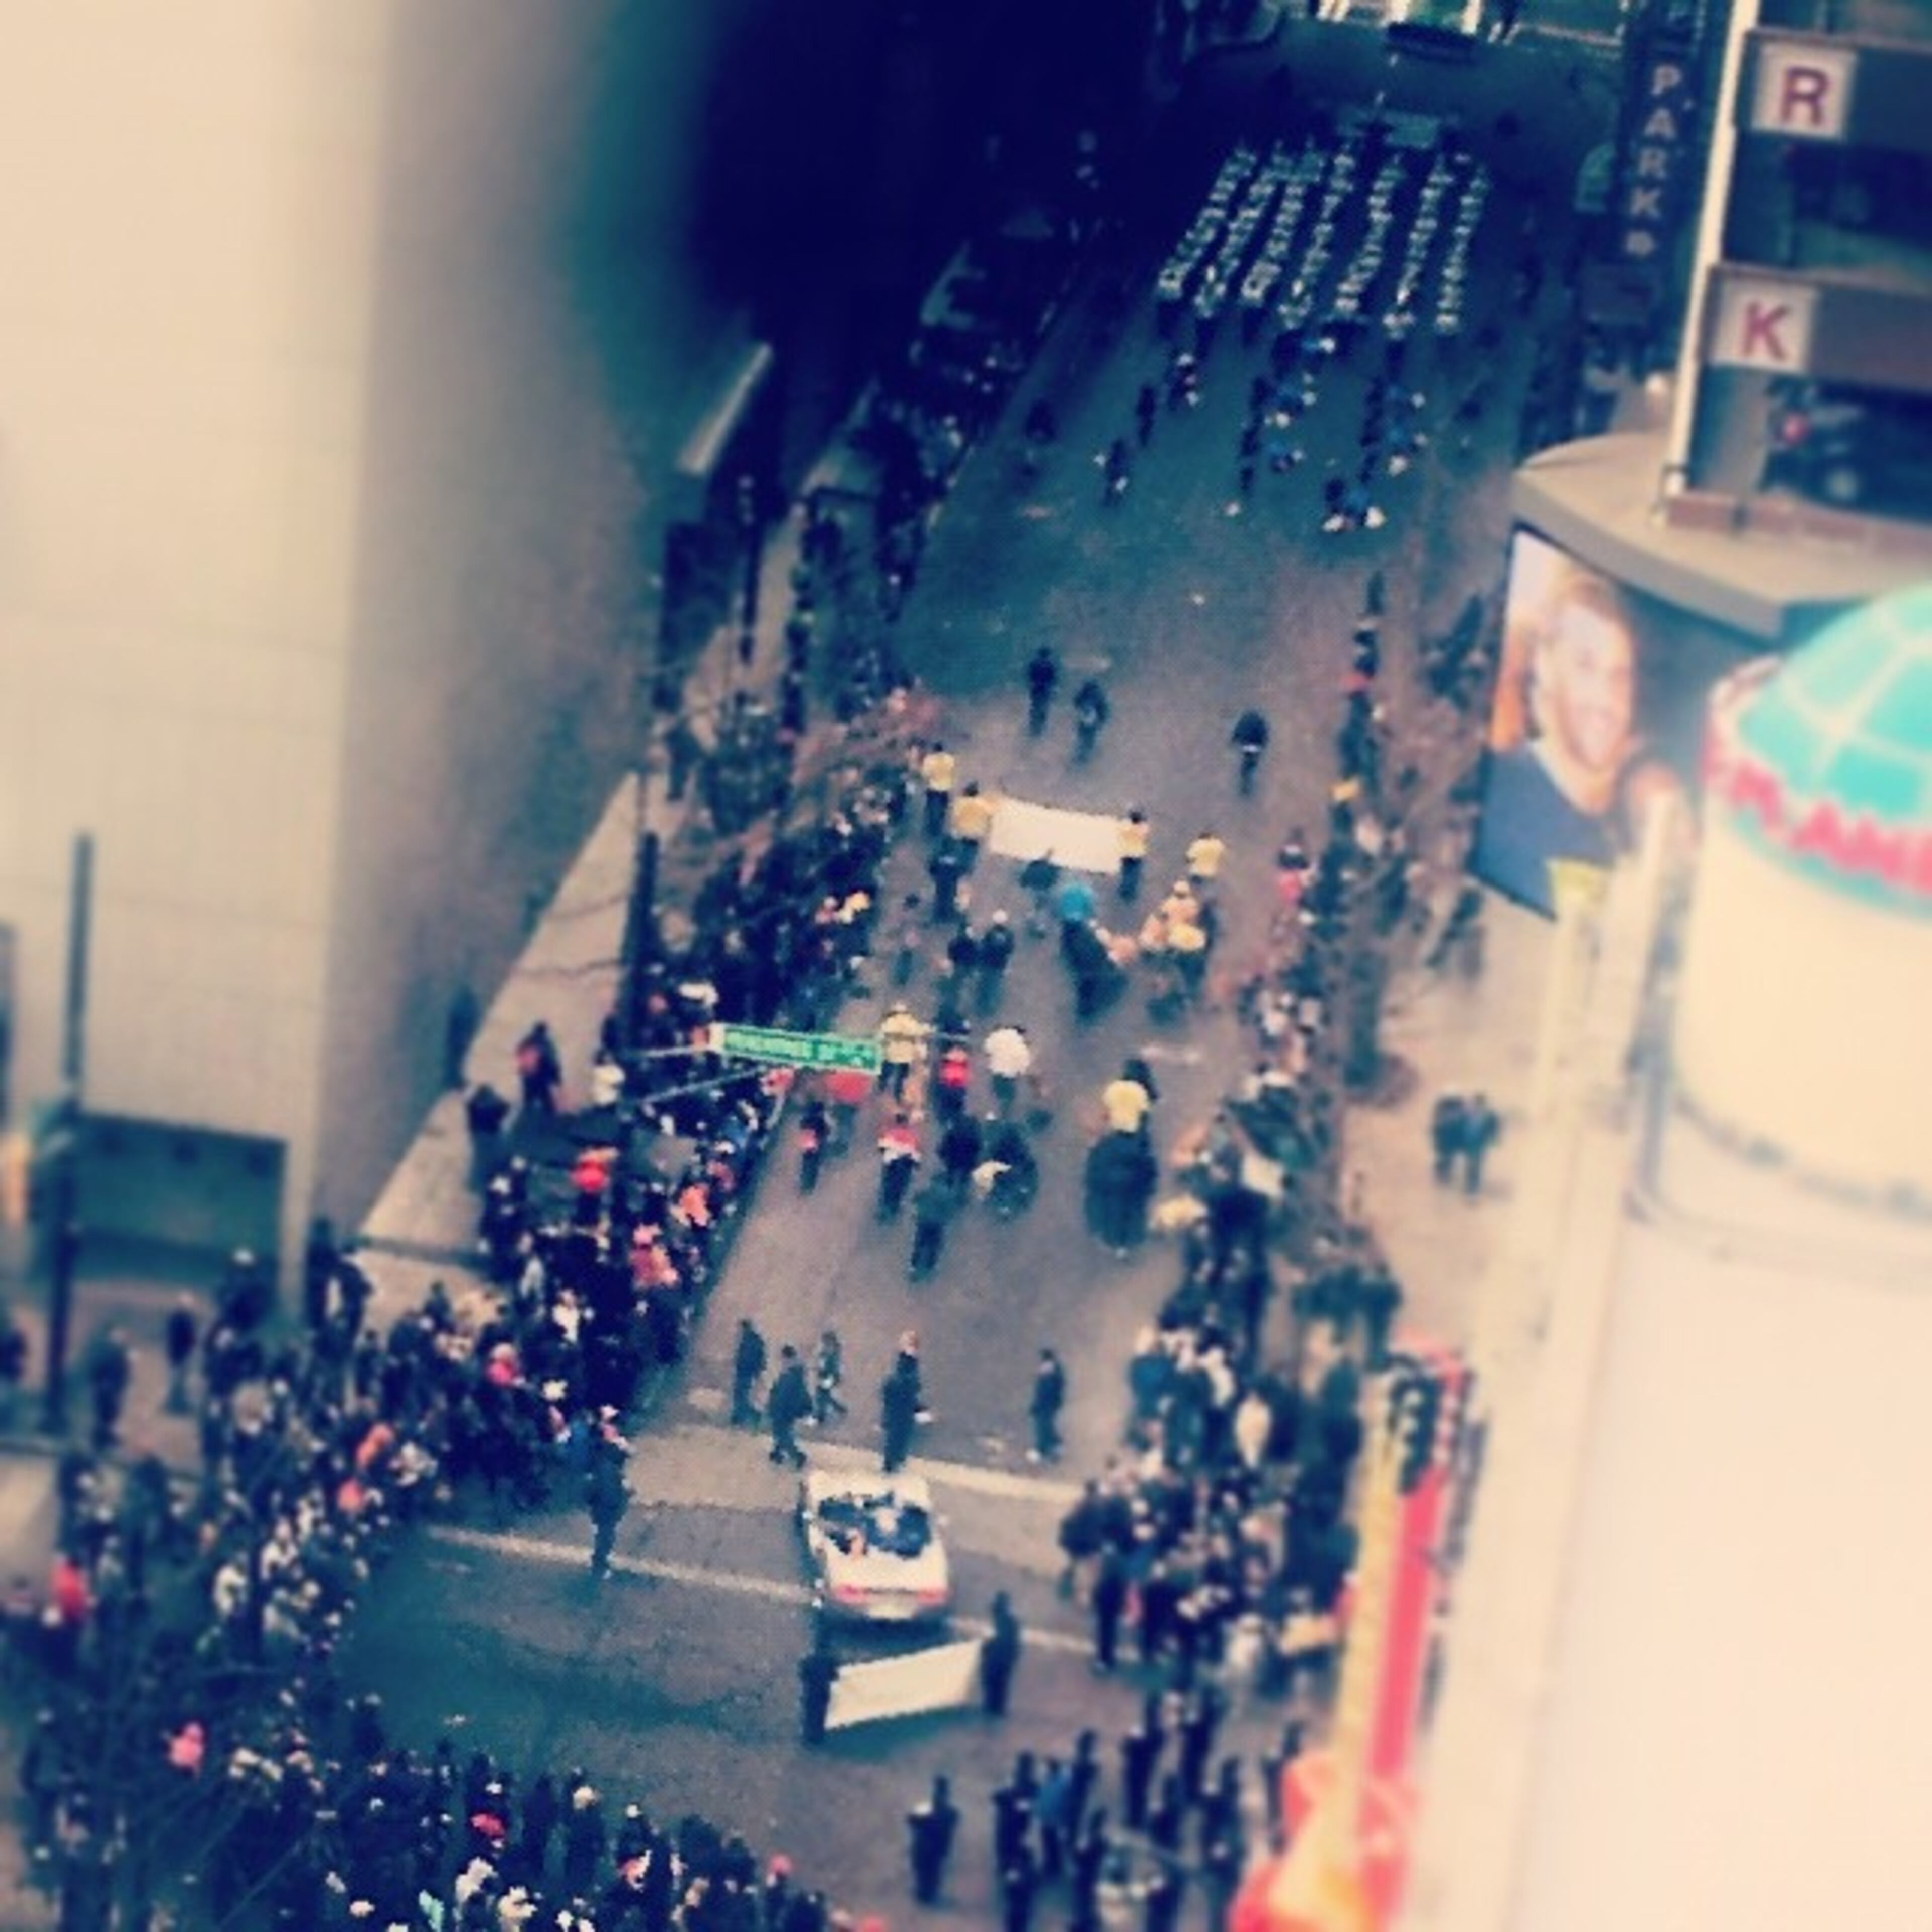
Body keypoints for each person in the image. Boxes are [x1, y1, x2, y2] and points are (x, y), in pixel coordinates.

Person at [1472, 557, 1664, 914]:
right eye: (1585, 667)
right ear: (1545, 665)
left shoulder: (1637, 817)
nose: (1606, 701)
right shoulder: (1498, 795)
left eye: (1619, 676)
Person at [907, 1774, 961, 1903]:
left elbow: (912, 1821)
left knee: (931, 1871)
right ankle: (926, 1891)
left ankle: (926, 1892)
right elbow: (912, 1821)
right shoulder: (945, 1812)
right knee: (928, 1871)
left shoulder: (948, 1812)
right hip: (928, 1848)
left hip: (933, 1848)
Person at [767, 1346, 812, 1468]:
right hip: (788, 1410)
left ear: (786, 1358)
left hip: (784, 1410)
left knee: (782, 1434)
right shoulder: (794, 1372)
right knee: (782, 1432)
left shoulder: (790, 1375)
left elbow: (783, 1395)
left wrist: (775, 1408)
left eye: (783, 1358)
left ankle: (797, 1455)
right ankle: (777, 1452)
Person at [980, 1592, 1022, 1716]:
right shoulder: (1011, 1621)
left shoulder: (1003, 1622)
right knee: (1000, 1683)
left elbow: (1000, 1640)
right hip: (1005, 1658)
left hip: (999, 1657)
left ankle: (993, 1706)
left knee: (993, 1681)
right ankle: (997, 1706)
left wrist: (987, 1647)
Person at [514, 1020, 562, 1116]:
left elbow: (519, 1054)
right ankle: (549, 1118)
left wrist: (523, 1069)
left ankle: (527, 1117)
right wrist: (557, 1078)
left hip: (528, 1075)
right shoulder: (546, 1044)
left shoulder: (527, 1042)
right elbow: (552, 1061)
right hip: (540, 1077)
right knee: (545, 1099)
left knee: (529, 1098)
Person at [798, 1636, 839, 1747]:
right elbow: (835, 1677)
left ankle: (807, 1736)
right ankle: (817, 1737)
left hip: (811, 1691)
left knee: (809, 1714)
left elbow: (803, 1675)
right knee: (820, 1715)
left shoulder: (808, 1660)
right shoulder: (830, 1661)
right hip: (823, 1692)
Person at [1028, 1349, 1066, 1464]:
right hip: (1047, 1404)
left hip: (1046, 1405)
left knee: (1044, 1426)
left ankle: (1045, 1449)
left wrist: (1038, 1404)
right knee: (1044, 1426)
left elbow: (1044, 1390)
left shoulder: (1050, 1371)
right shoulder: (1054, 1371)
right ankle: (1051, 1448)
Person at [1460, 1093, 1501, 1194]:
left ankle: (1472, 1187)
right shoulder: (1469, 1113)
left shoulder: (1487, 1115)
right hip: (1472, 1143)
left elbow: (1494, 1128)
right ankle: (1472, 1186)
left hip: (1477, 1143)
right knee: (1474, 1164)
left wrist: (1494, 1139)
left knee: (1475, 1164)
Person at [163, 1294, 197, 1415]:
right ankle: (173, 1405)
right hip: (178, 1354)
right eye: (188, 1304)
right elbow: (176, 1338)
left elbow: (191, 1337)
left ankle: (179, 1403)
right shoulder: (178, 1319)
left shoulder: (186, 1318)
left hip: (183, 1354)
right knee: (176, 1380)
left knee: (181, 1380)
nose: (191, 1306)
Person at [731, 1318, 768, 1427]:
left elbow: (751, 1357)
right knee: (741, 1394)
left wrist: (755, 1371)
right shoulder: (752, 1339)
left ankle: (741, 1417)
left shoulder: (750, 1340)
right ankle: (743, 1416)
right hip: (746, 1371)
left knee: (741, 1394)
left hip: (746, 1371)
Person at [919, 741, 958, 838]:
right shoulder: (950, 759)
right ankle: (941, 820)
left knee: (929, 806)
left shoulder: (929, 760)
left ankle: (930, 824)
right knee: (944, 806)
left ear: (934, 750)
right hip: (946, 787)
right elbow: (952, 771)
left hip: (933, 787)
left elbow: (925, 774)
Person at [1429, 1094, 1467, 1185]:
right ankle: (1441, 1174)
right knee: (1444, 1158)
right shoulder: (1443, 1112)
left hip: (1449, 1140)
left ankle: (1444, 1175)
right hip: (1445, 1140)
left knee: (1447, 1158)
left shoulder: (1456, 1112)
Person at [813, 1329, 848, 1426]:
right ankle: (840, 1409)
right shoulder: (825, 1352)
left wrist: (830, 1379)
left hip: (831, 1377)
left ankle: (821, 1417)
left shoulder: (833, 1354)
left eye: (826, 1341)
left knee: (821, 1394)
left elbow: (834, 1368)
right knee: (824, 1395)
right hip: (825, 1376)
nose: (824, 1343)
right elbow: (821, 1363)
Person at [1231, 709, 1270, 793]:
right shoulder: (1260, 722)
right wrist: (1263, 744)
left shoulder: (1245, 721)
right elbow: (1264, 734)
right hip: (1256, 747)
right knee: (1252, 764)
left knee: (1246, 763)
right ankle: (1249, 777)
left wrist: (1234, 740)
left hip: (1247, 745)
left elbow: (1238, 730)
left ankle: (1245, 780)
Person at [1116, 808, 1151, 901]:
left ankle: (1123, 888)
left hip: (1126, 851)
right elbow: (1146, 830)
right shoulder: (1143, 828)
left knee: (1126, 871)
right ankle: (1131, 891)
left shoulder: (1125, 827)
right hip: (1137, 853)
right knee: (1134, 873)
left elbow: (1121, 827)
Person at [1072, 679, 1110, 761]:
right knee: (1090, 739)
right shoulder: (1099, 695)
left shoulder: (1083, 693)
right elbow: (1103, 709)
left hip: (1083, 720)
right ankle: (1085, 756)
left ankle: (1079, 756)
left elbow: (1076, 702)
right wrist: (1102, 720)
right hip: (1093, 722)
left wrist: (1081, 708)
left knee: (1081, 738)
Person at [1025, 647, 1060, 735]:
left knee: (1034, 705)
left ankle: (1032, 725)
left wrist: (1031, 683)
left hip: (1035, 688)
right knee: (1044, 707)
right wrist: (1053, 688)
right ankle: (1041, 726)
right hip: (1045, 689)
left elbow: (1029, 675)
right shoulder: (1050, 664)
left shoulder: (1034, 663)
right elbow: (1053, 678)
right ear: (1048, 655)